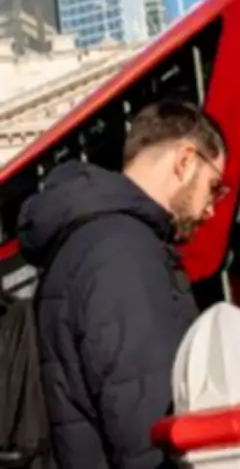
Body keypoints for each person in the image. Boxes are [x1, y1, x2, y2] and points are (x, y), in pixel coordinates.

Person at [17, 98, 229, 469]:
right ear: (185, 160)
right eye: (214, 187)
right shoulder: (124, 251)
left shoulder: (88, 240)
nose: (211, 208)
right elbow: (148, 429)